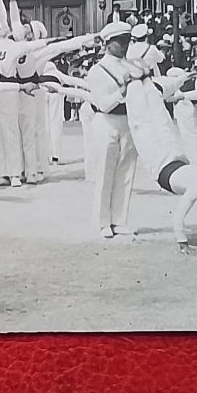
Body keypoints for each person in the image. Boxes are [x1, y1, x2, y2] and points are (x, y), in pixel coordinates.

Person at [81, 20, 141, 239]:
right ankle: (102, 222)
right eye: (120, 41)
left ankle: (119, 220)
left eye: (127, 40)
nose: (125, 45)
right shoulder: (98, 70)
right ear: (107, 43)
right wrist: (123, 90)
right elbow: (103, 104)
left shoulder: (132, 66)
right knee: (104, 173)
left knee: (126, 172)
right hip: (106, 122)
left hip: (128, 122)